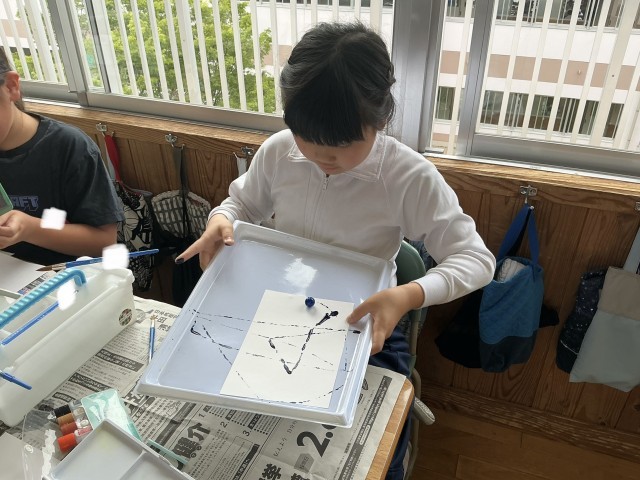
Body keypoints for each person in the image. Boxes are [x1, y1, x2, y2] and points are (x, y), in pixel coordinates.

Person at [177, 22, 496, 479]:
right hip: (279, 307)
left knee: (372, 442)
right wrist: (220, 220)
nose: (320, 155)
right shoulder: (280, 151)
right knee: (227, 407)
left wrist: (407, 295)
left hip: (359, 319)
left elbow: (476, 260)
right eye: (305, 136)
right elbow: (241, 203)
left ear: (380, 119)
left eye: (343, 143)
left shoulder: (408, 177)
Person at [0, 47, 124, 266]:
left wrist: (30, 229)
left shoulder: (69, 147)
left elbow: (104, 241)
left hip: (68, 277)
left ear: (11, 86)